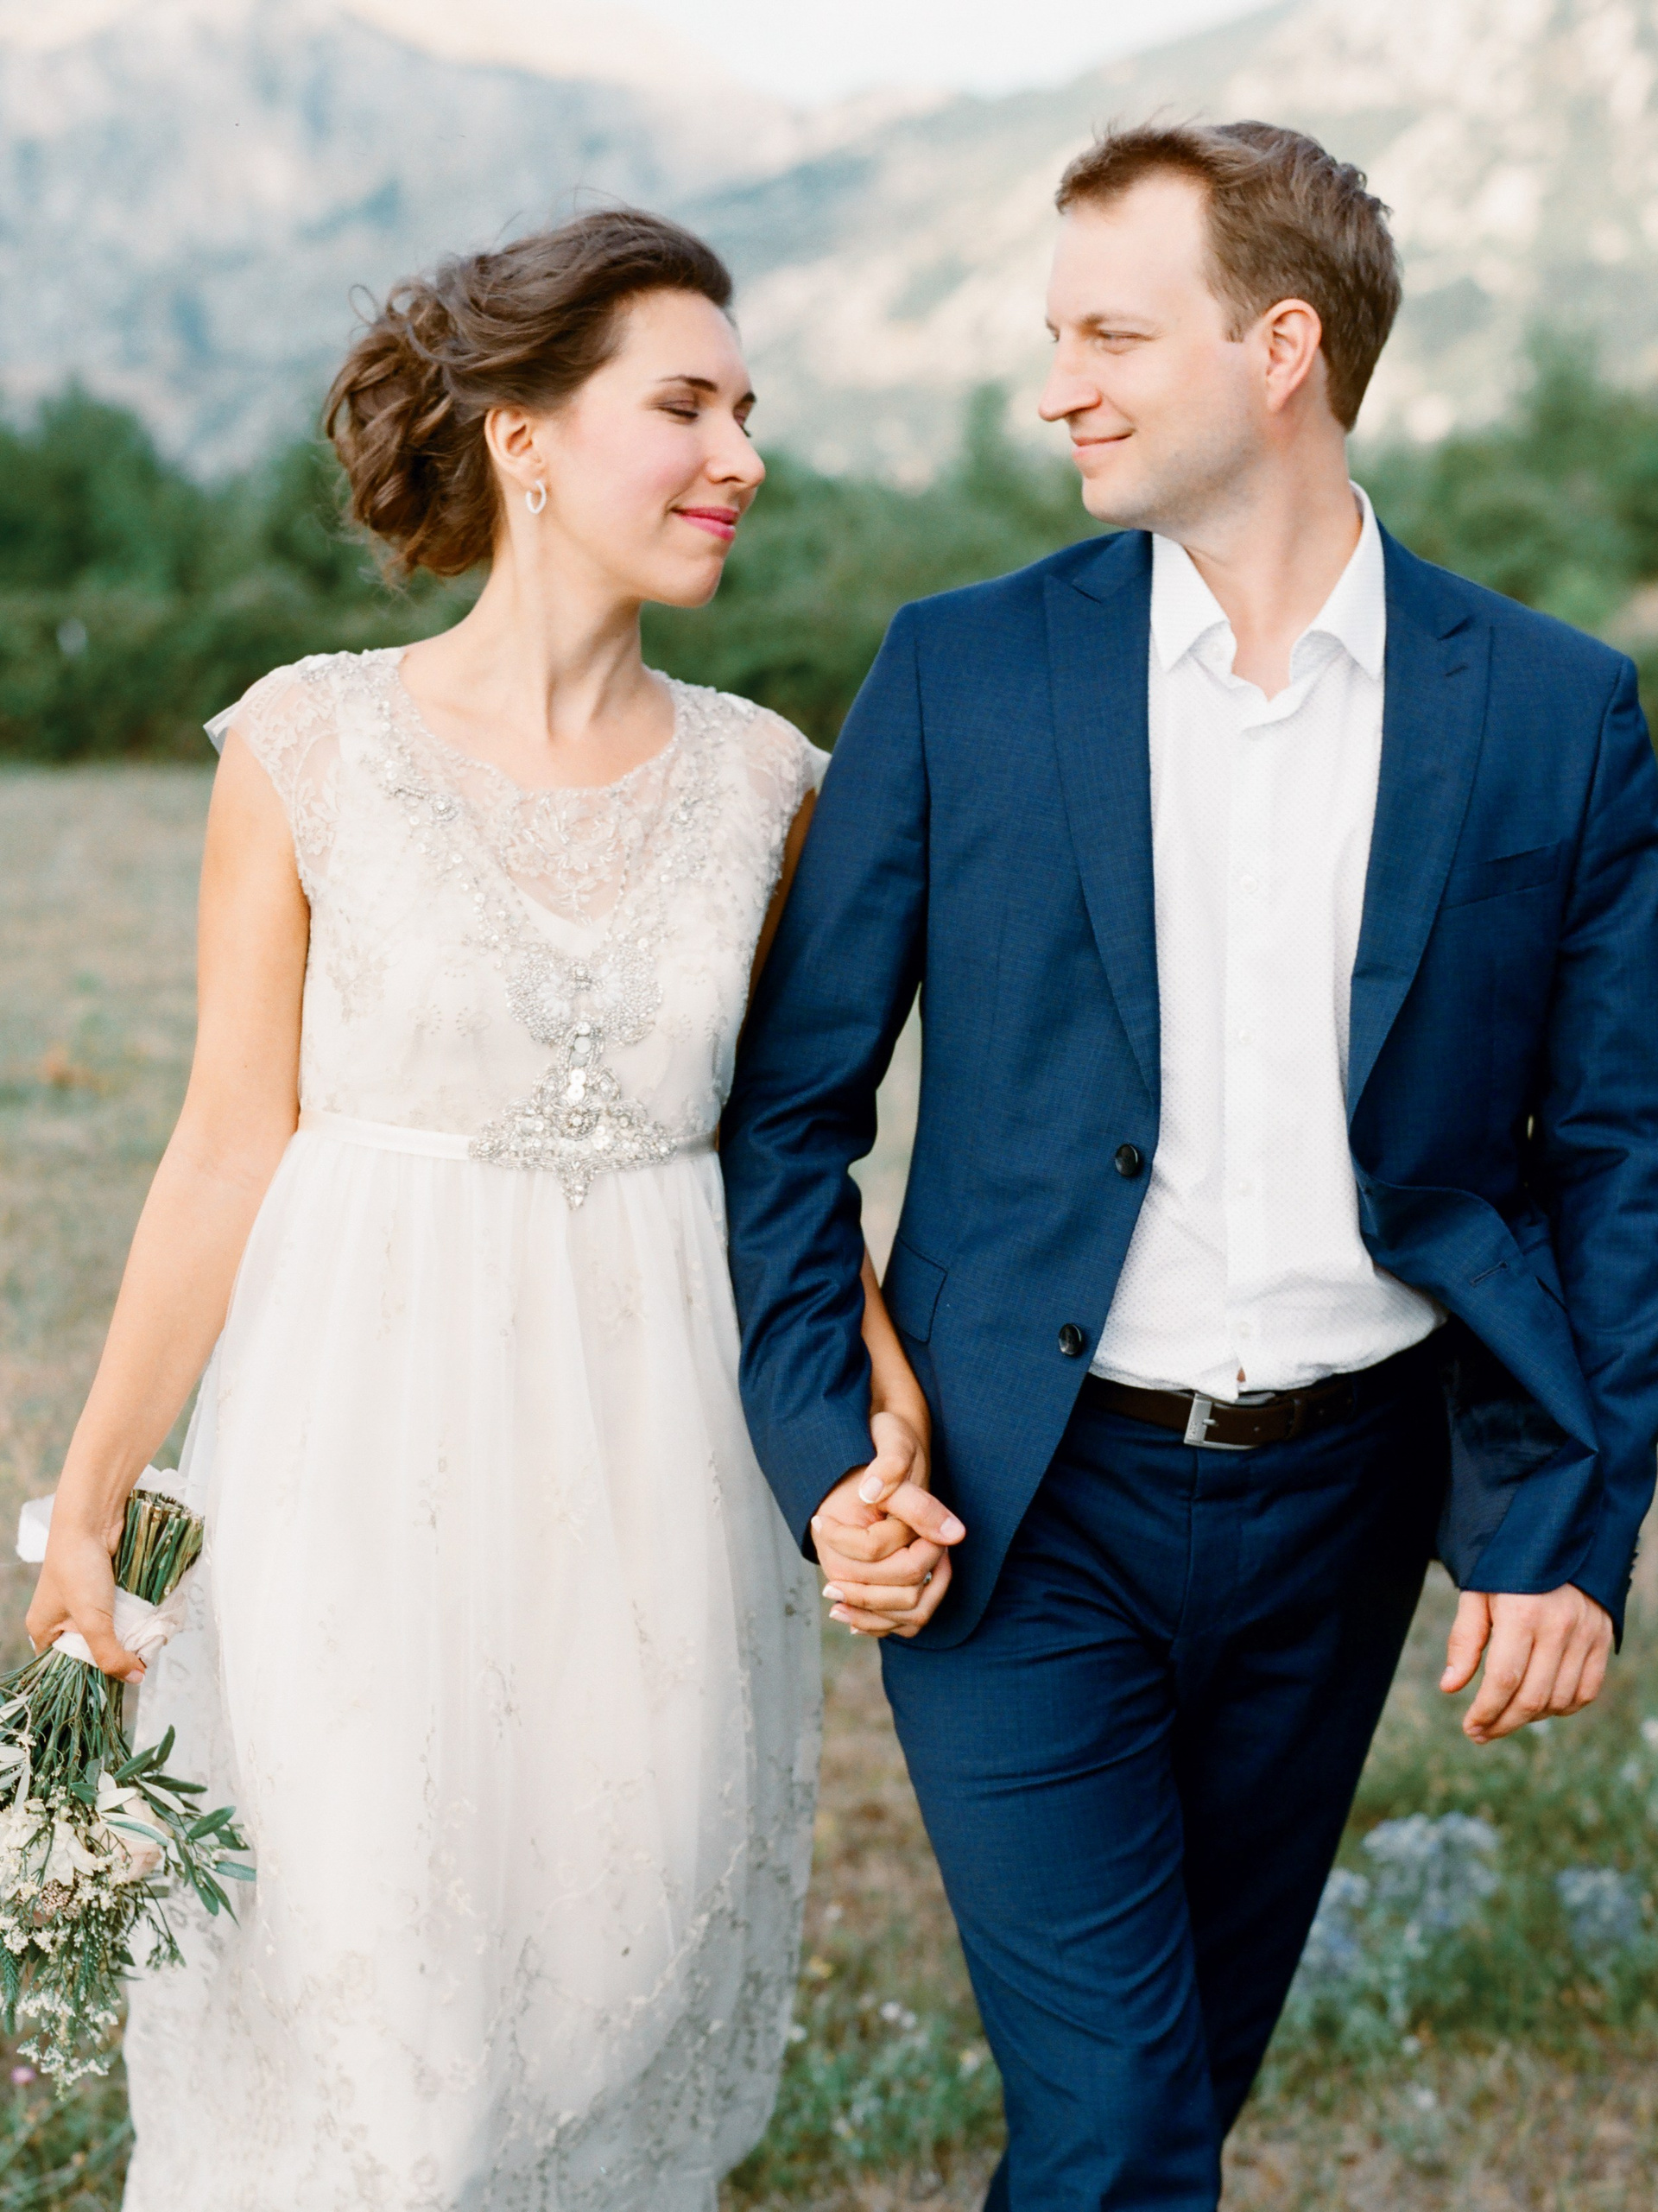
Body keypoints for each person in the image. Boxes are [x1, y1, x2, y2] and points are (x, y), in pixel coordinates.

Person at [721, 122, 1658, 2208]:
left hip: (1352, 1504)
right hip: (1016, 1505)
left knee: (1164, 2112)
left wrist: (1574, 1529)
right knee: (1125, 2130)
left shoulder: (1555, 711)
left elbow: (1614, 1153)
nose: (1059, 386)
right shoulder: (962, 671)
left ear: (1281, 349)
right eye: (1058, 334)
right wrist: (828, 1454)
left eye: (1113, 336)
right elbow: (787, 1114)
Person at [24, 208, 924, 2211]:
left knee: (598, 1991)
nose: (741, 455)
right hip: (356, 1435)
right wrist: (90, 1499)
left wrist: (879, 1394)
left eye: (748, 410)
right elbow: (224, 1140)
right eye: (684, 406)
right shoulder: (309, 743)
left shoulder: (770, 785)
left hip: (662, 1458)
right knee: (387, 2042)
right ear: (524, 436)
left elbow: (787, 1146)